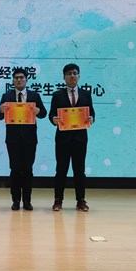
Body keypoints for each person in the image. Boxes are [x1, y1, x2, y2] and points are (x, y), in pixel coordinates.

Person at [0, 68, 47, 211]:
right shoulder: (6, 96)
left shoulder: (34, 95)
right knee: (15, 169)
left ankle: (27, 200)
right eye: (16, 78)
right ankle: (16, 200)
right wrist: (1, 110)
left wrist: (38, 111)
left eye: (21, 77)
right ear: (13, 81)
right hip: (12, 140)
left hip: (30, 140)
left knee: (28, 170)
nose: (19, 80)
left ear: (26, 80)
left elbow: (44, 113)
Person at [49, 63, 95, 212]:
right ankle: (58, 200)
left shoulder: (86, 94)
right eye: (69, 73)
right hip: (63, 139)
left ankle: (81, 200)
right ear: (64, 77)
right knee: (61, 170)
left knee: (79, 170)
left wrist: (91, 119)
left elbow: (92, 113)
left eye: (75, 73)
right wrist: (53, 119)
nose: (72, 76)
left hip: (80, 139)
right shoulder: (57, 95)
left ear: (79, 76)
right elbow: (51, 114)